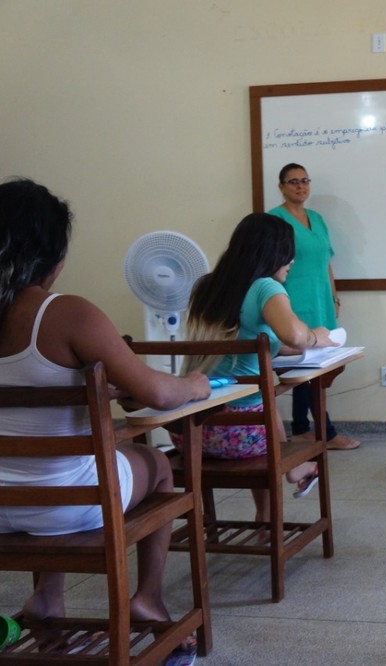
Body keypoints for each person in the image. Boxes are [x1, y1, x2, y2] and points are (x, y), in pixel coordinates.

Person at [0, 179, 210, 638]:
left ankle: (47, 599)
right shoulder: (68, 314)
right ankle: (148, 600)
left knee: (48, 467)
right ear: (54, 254)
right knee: (155, 464)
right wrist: (192, 385)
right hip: (67, 508)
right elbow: (155, 393)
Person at [182, 213, 340, 521]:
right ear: (273, 252)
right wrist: (316, 337)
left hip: (192, 429)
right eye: (288, 251)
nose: (292, 260)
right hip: (242, 435)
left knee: (261, 396)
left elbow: (255, 339)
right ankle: (293, 471)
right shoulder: (264, 287)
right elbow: (294, 335)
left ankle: (266, 516)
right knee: (262, 402)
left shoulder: (206, 286)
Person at [268, 163, 359, 451]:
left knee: (319, 366)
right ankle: (326, 432)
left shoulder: (317, 218)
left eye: (305, 180)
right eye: (293, 181)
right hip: (292, 301)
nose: (300, 186)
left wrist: (334, 296)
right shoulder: (275, 220)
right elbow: (270, 265)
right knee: (308, 368)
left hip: (321, 300)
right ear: (281, 186)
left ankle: (302, 428)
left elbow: (325, 262)